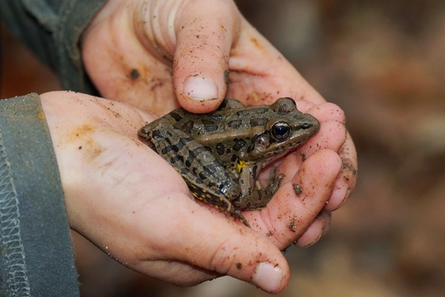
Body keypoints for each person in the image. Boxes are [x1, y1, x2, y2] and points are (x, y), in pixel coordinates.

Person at [0, 0, 357, 295]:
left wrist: (107, 13)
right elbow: (248, 196)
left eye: (285, 117)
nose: (296, 131)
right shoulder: (248, 159)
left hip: (180, 127)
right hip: (203, 144)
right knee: (231, 189)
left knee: (230, 107)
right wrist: (266, 194)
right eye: (281, 131)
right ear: (265, 138)